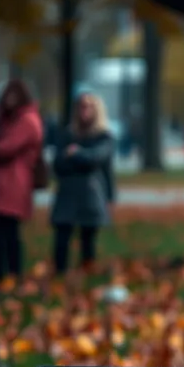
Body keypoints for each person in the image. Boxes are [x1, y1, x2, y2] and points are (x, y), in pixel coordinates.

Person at [0, 80, 44, 284]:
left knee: (7, 231)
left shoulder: (27, 121)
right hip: (0, 185)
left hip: (14, 184)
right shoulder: (6, 120)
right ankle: (1, 275)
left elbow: (7, 147)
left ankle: (11, 274)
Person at [50, 89, 115, 273]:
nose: (84, 111)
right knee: (62, 236)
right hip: (68, 193)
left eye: (88, 106)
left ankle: (87, 271)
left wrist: (75, 154)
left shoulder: (104, 137)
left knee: (88, 239)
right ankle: (60, 272)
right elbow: (58, 164)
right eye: (81, 106)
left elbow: (97, 160)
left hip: (91, 194)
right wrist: (79, 160)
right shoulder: (68, 134)